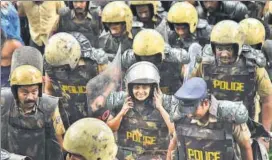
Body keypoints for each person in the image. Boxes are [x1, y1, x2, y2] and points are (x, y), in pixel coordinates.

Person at [192, 20, 272, 150]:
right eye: (219, 48)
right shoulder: (205, 64)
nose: (224, 54)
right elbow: (191, 91)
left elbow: (268, 100)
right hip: (212, 128)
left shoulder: (252, 67)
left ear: (238, 47)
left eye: (229, 49)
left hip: (246, 129)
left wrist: (264, 137)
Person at [1, 46, 64, 160]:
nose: (30, 97)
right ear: (15, 91)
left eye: (34, 91)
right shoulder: (3, 101)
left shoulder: (49, 106)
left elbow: (59, 145)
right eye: (24, 92)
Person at [167, 77, 253, 160]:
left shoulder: (229, 117)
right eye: (185, 109)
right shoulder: (182, 118)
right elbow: (173, 144)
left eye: (192, 109)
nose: (189, 114)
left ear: (205, 103)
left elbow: (245, 147)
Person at [103, 61, 175, 160]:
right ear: (130, 88)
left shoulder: (165, 102)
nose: (140, 92)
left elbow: (174, 131)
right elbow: (109, 129)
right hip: (127, 156)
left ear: (152, 88)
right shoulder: (121, 101)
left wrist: (160, 108)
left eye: (145, 87)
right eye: (136, 87)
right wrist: (122, 113)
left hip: (156, 156)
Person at [44, 32, 108, 128]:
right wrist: (54, 114)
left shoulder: (95, 61)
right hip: (67, 116)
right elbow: (49, 90)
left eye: (61, 66)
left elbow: (112, 81)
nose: (59, 70)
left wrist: (103, 96)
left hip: (94, 115)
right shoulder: (51, 61)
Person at [122, 29, 190, 94]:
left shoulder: (174, 56)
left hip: (171, 93)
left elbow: (186, 58)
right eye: (144, 57)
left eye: (152, 56)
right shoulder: (129, 58)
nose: (148, 60)